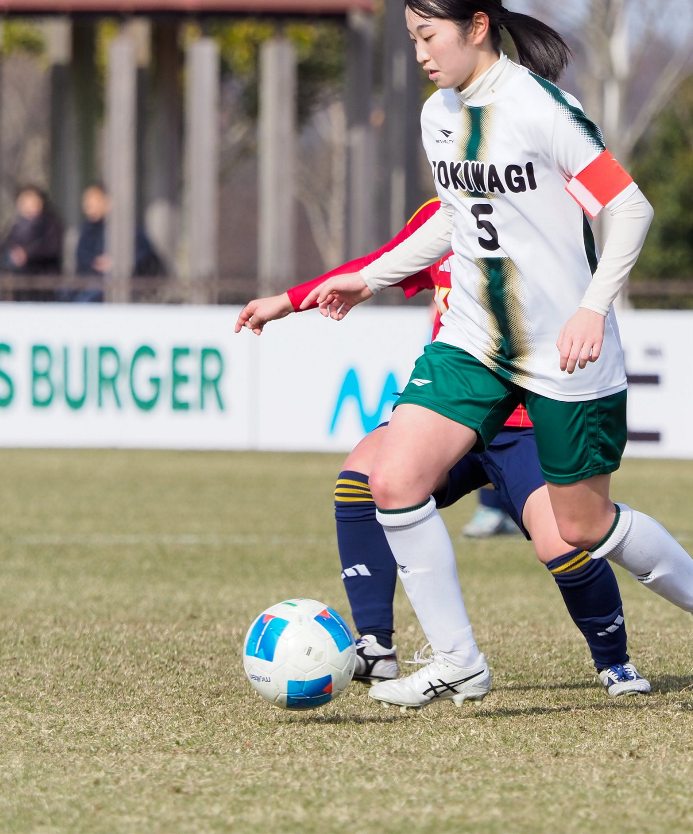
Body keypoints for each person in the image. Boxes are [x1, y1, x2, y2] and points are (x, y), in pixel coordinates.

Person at [276, 0, 693, 708]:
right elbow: (459, 229)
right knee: (391, 479)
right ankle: (458, 660)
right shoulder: (438, 117)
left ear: (477, 27)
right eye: (412, 39)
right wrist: (365, 280)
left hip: (560, 349)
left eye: (430, 36)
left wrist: (593, 307)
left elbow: (629, 209)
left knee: (581, 526)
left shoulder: (542, 110)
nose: (422, 53)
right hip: (471, 339)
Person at [236, 200, 651, 697]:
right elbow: (381, 262)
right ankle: (376, 645)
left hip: (527, 422)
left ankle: (615, 662)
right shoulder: (446, 209)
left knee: (562, 540)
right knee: (365, 475)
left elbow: (618, 222)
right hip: (453, 413)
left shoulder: (540, 209)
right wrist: (288, 300)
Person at [73, 184, 164, 301]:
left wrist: (116, 263)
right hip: (91, 280)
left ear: (107, 201)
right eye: (86, 200)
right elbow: (82, 254)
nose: (88, 205)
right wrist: (94, 263)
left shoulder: (127, 227)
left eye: (93, 200)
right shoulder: (87, 229)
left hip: (119, 286)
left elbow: (144, 253)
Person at [0, 185, 63, 300]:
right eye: (24, 203)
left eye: (32, 202)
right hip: (19, 282)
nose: (28, 207)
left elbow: (51, 248)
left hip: (43, 281)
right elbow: (2, 245)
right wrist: (13, 254)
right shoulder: (17, 226)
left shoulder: (51, 223)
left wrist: (27, 255)